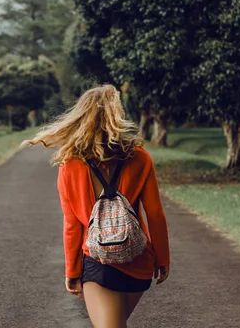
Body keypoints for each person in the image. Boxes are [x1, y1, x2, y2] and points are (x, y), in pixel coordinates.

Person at [24, 84, 170, 328]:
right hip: (138, 259)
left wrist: (72, 270)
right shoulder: (139, 157)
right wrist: (163, 258)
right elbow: (154, 213)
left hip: (98, 262)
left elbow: (72, 224)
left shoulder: (69, 165)